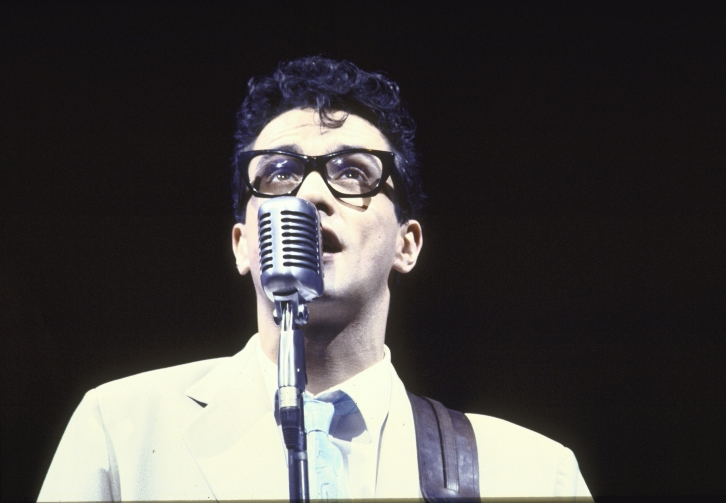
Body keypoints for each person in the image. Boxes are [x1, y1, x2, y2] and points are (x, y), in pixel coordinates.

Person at [38, 56, 593, 501]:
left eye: (352, 171)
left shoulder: (531, 475)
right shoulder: (122, 431)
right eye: (278, 174)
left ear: (407, 242)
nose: (310, 195)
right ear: (242, 245)